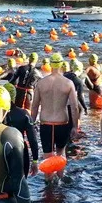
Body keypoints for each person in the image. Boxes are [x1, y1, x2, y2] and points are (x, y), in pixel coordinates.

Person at [31, 54, 79, 182]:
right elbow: (74, 107)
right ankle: (60, 179)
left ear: (50, 65)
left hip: (46, 124)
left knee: (48, 155)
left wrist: (31, 124)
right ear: (61, 64)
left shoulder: (41, 83)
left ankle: (49, 184)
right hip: (62, 123)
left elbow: (34, 106)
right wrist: (75, 126)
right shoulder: (68, 83)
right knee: (60, 153)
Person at [2, 83, 40, 177]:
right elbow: (32, 140)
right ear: (14, 96)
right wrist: (35, 161)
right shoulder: (24, 114)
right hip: (19, 152)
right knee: (20, 183)